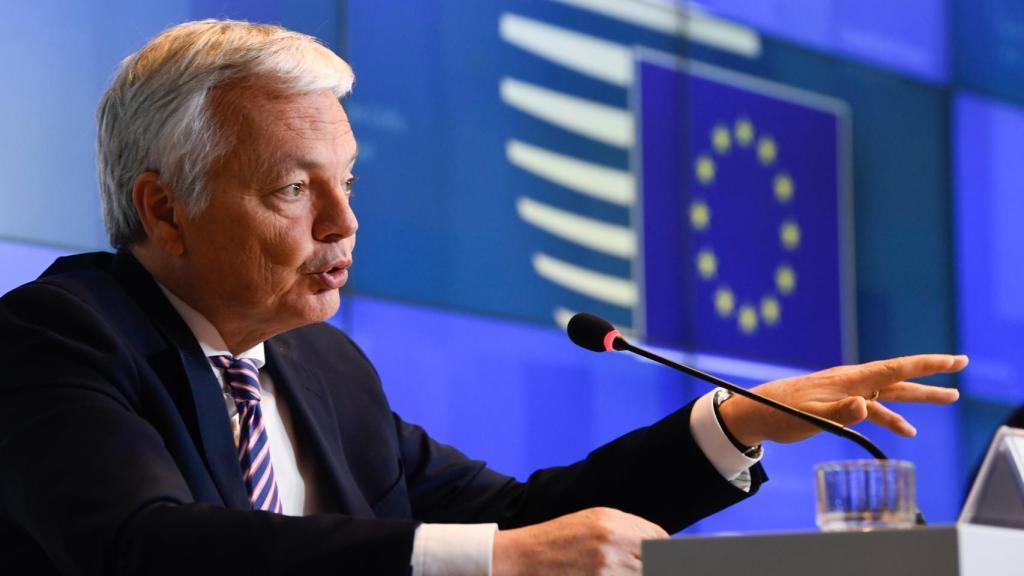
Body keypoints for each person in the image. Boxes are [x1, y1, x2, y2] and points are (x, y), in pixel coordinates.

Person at [0, 20, 966, 576]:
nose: (345, 224)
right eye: (295, 190)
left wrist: (733, 424)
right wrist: (494, 567)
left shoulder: (322, 369)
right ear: (165, 210)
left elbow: (515, 516)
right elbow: (147, 551)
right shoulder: (59, 338)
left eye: (350, 182)